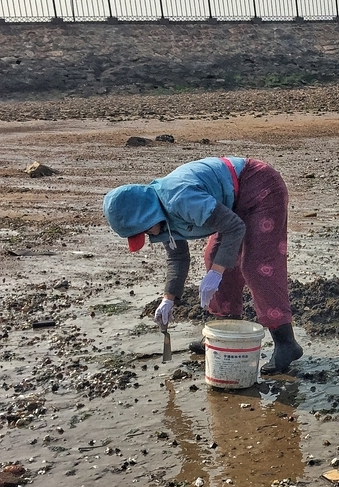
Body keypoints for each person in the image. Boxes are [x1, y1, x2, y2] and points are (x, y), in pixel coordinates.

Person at [102, 156, 303, 374]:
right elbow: (177, 257)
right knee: (214, 256)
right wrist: (168, 299)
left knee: (257, 266)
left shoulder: (180, 199)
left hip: (260, 187)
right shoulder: (159, 217)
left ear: (147, 214)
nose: (148, 235)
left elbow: (234, 228)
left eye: (144, 230)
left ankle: (286, 343)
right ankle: (225, 331)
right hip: (231, 202)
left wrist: (216, 274)